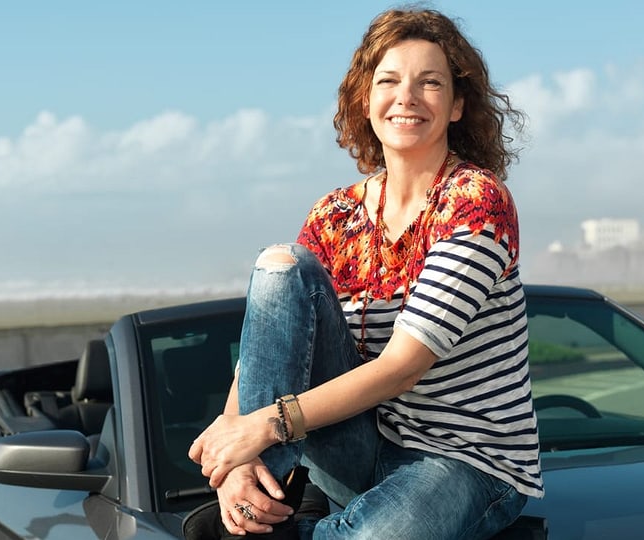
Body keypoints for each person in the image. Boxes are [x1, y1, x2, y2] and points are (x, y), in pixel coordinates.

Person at [187, 6, 543, 540]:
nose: (407, 97)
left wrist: (262, 425)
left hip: (467, 460)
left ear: (457, 105)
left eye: (430, 83)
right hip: (361, 445)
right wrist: (235, 455)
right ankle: (267, 488)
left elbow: (403, 367)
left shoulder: (474, 203)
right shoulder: (335, 215)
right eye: (389, 80)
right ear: (365, 99)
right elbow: (272, 342)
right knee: (281, 268)